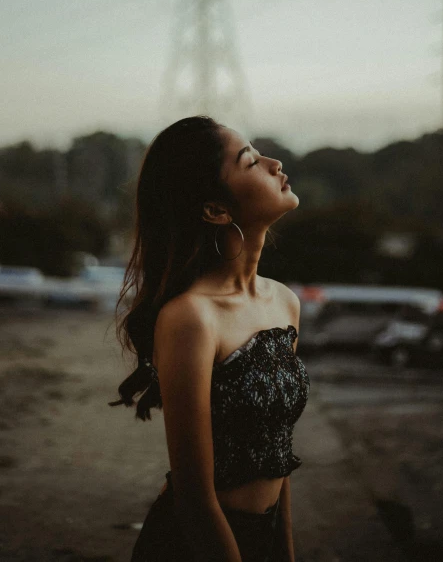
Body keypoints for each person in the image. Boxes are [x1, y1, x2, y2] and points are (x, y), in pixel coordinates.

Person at [109, 115, 310, 562]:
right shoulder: (191, 318)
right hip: (195, 545)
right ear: (216, 210)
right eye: (251, 161)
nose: (275, 163)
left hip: (265, 533)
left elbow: (278, 451)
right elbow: (195, 499)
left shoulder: (284, 302)